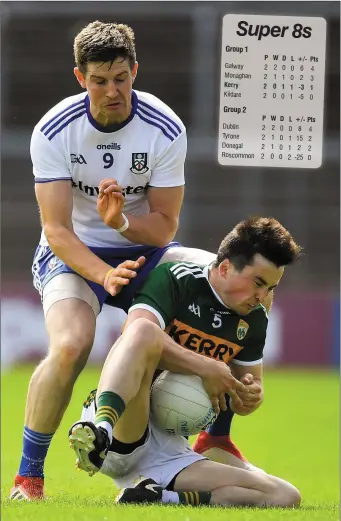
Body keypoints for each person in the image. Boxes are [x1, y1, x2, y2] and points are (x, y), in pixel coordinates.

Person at [10, 20, 216, 501]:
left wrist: (122, 224)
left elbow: (165, 224)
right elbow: (56, 230)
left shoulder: (164, 128)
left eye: (121, 78)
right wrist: (102, 272)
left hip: (144, 251)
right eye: (100, 80)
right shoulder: (55, 130)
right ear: (80, 78)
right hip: (75, 254)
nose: (112, 91)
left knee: (205, 324)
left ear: (134, 72)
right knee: (70, 346)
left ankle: (211, 442)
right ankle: (29, 476)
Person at [68, 216, 302, 507]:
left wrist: (250, 397)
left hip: (171, 452)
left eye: (270, 287)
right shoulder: (176, 278)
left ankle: (158, 496)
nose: (262, 296)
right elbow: (136, 337)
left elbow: (245, 394)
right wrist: (205, 366)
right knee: (143, 330)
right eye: (258, 282)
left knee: (285, 495)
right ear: (226, 266)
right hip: (127, 426)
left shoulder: (254, 321)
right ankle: (99, 432)